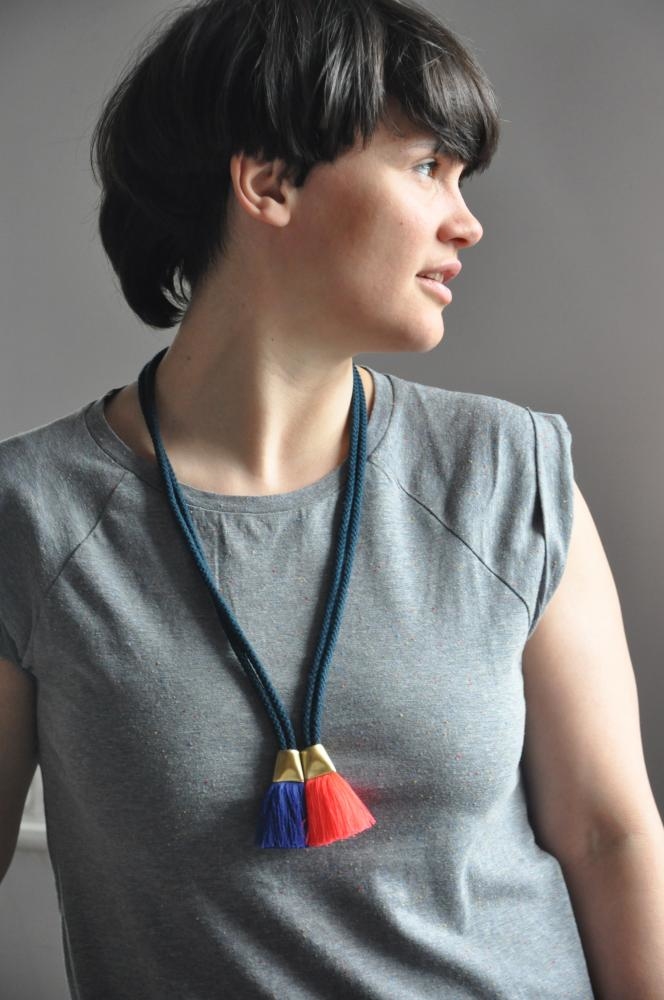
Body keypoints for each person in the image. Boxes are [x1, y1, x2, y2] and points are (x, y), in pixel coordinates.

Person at [1, 0, 663, 997]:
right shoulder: (32, 517)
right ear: (269, 181)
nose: (467, 221)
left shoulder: (507, 471)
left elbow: (610, 837)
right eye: (426, 166)